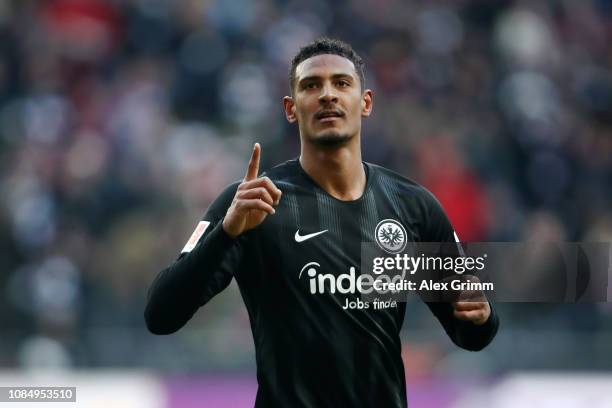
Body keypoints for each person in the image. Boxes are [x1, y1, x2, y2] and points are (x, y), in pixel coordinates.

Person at [145, 37, 499, 407]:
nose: (327, 94)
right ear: (291, 108)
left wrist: (481, 315)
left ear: (366, 103)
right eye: (311, 85)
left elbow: (469, 333)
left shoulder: (413, 206)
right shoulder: (252, 203)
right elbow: (161, 315)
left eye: (341, 83)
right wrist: (227, 232)